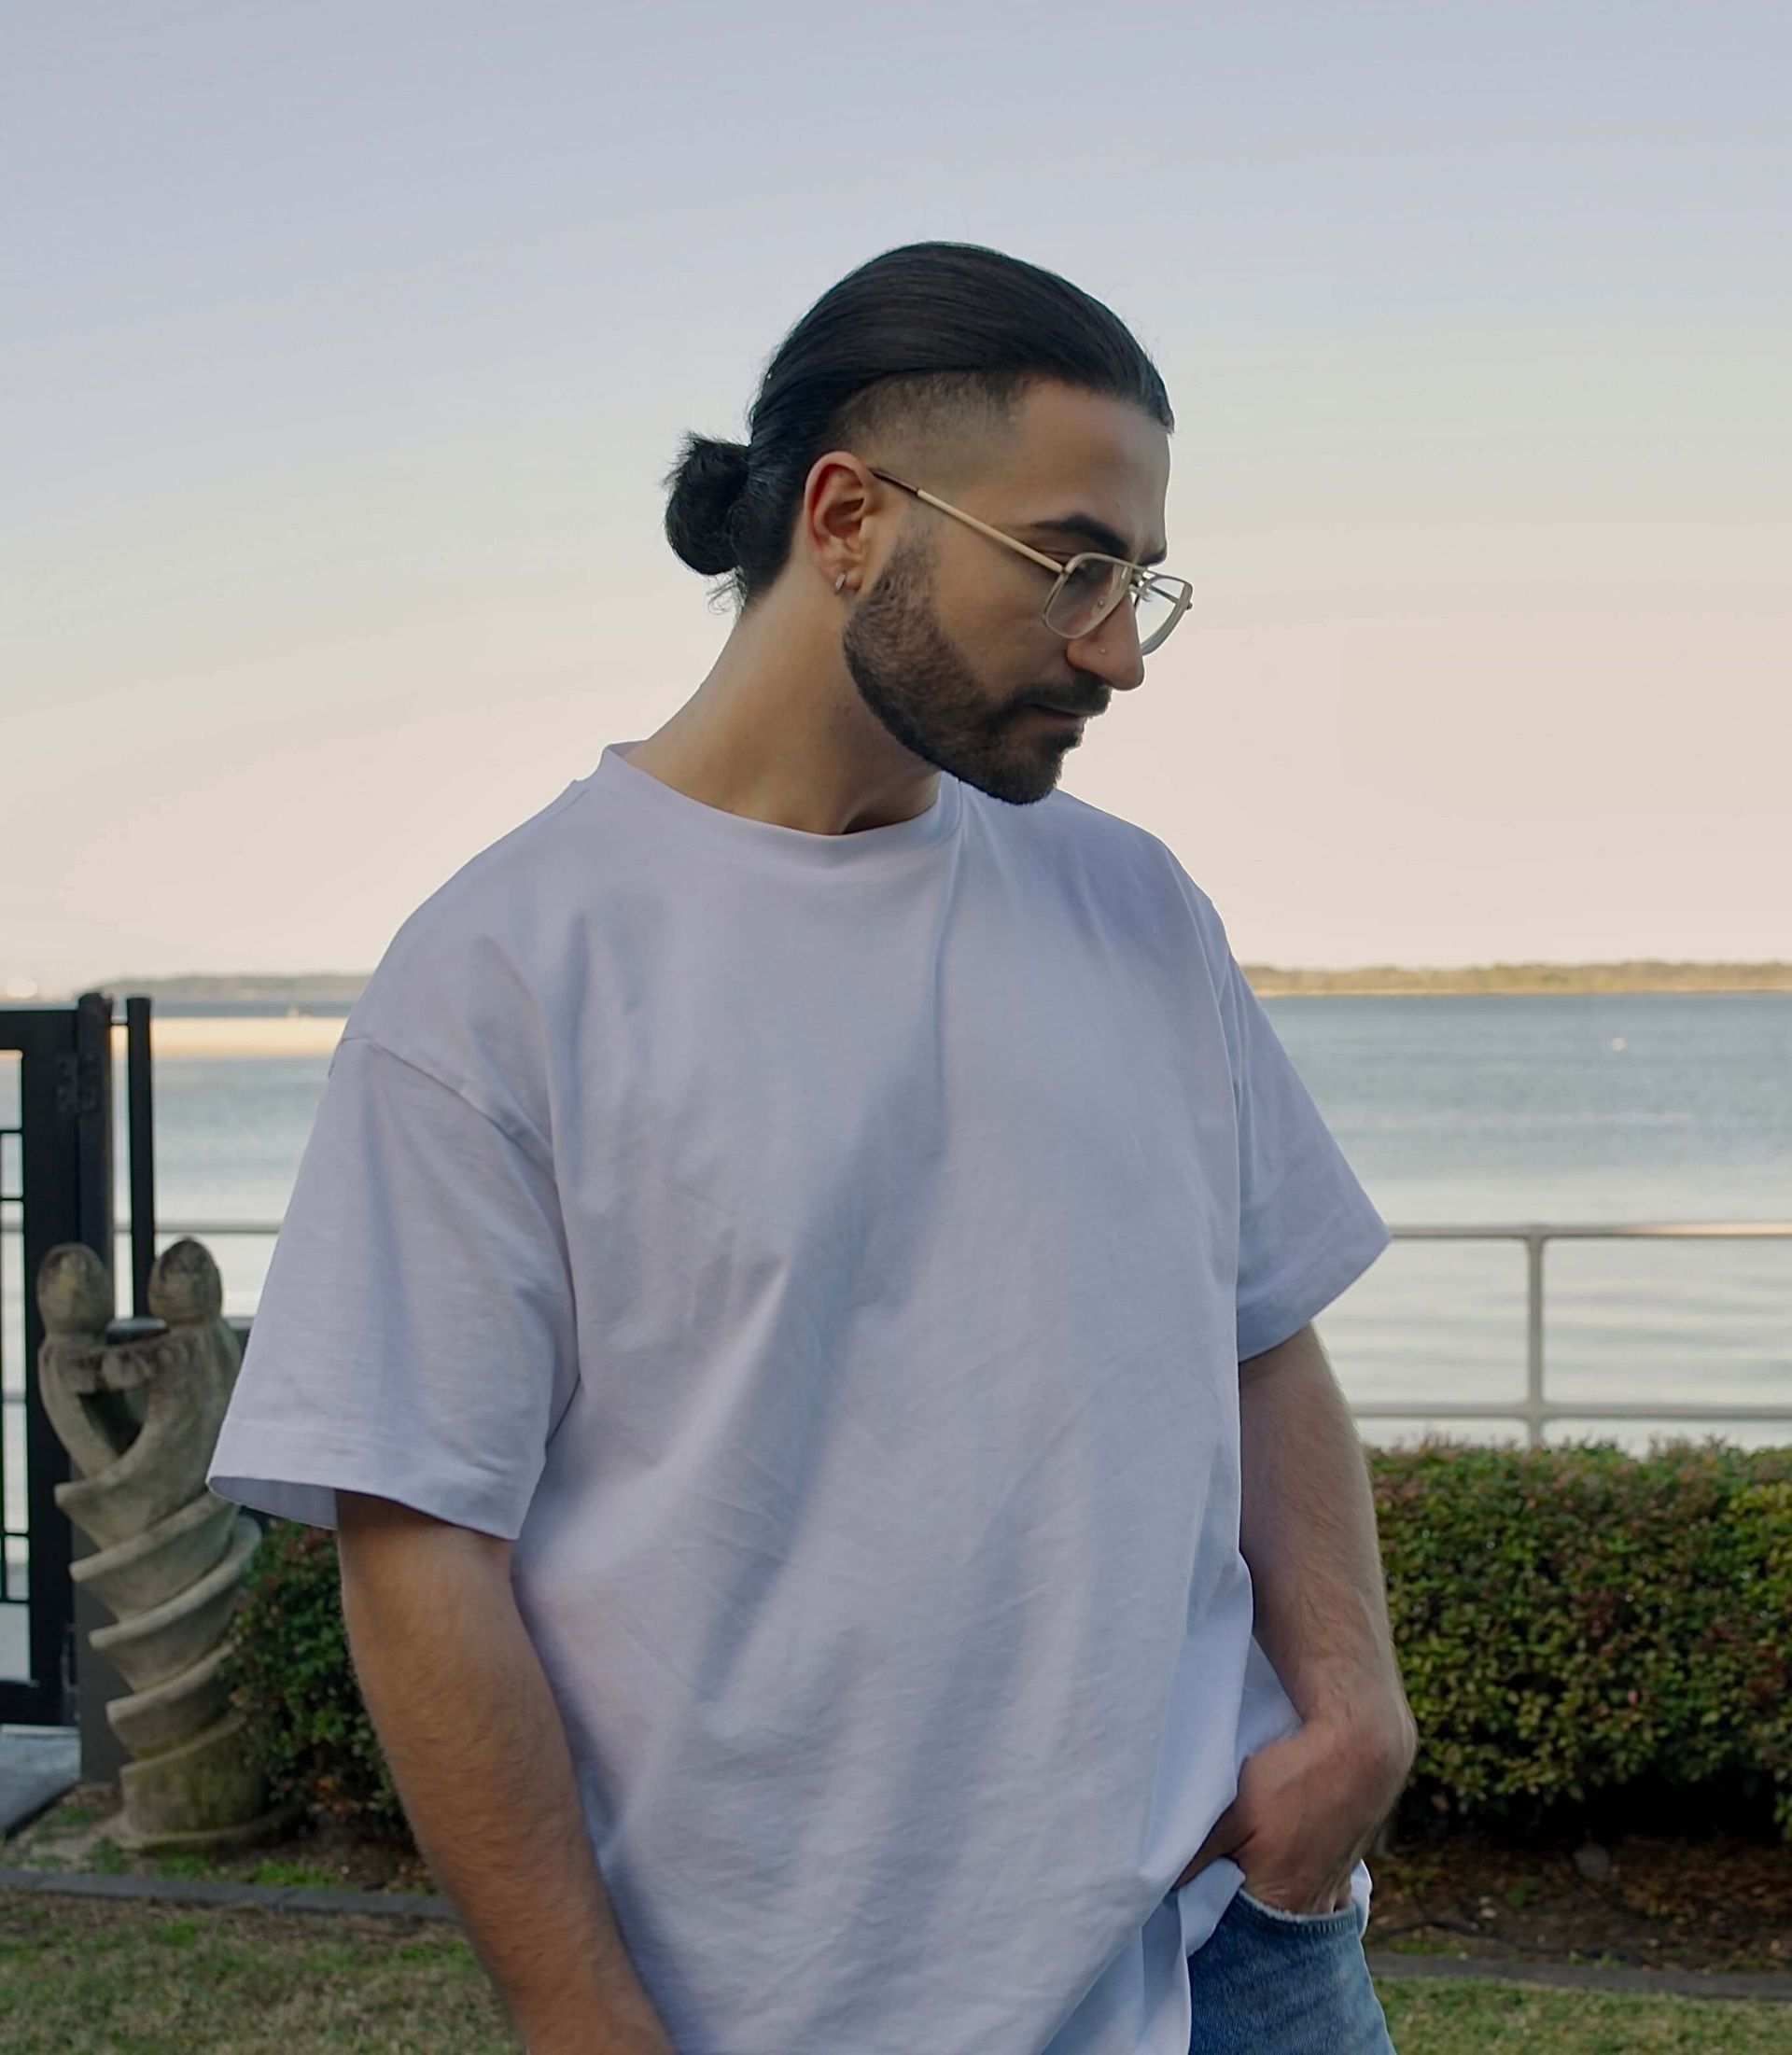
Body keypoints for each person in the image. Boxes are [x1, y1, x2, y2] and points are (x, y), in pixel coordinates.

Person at [208, 240, 1414, 2055]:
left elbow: (1258, 1322)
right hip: (780, 2013)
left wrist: (1354, 1711)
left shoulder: (1136, 907)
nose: (1115, 653)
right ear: (848, 515)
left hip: (1236, 1950)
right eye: (1072, 563)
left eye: (1143, 587)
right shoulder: (508, 974)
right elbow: (416, 1551)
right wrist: (578, 2017)